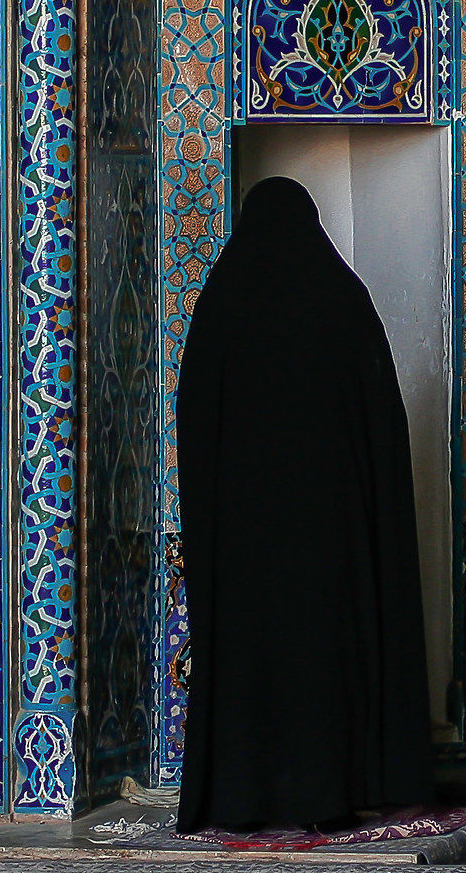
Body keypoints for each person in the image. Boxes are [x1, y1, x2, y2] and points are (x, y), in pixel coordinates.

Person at [174, 176, 433, 832]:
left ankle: (240, 797)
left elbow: (195, 428)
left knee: (249, 662)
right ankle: (328, 792)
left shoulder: (223, 303)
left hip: (241, 548)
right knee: (324, 659)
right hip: (329, 544)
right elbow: (384, 432)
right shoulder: (341, 300)